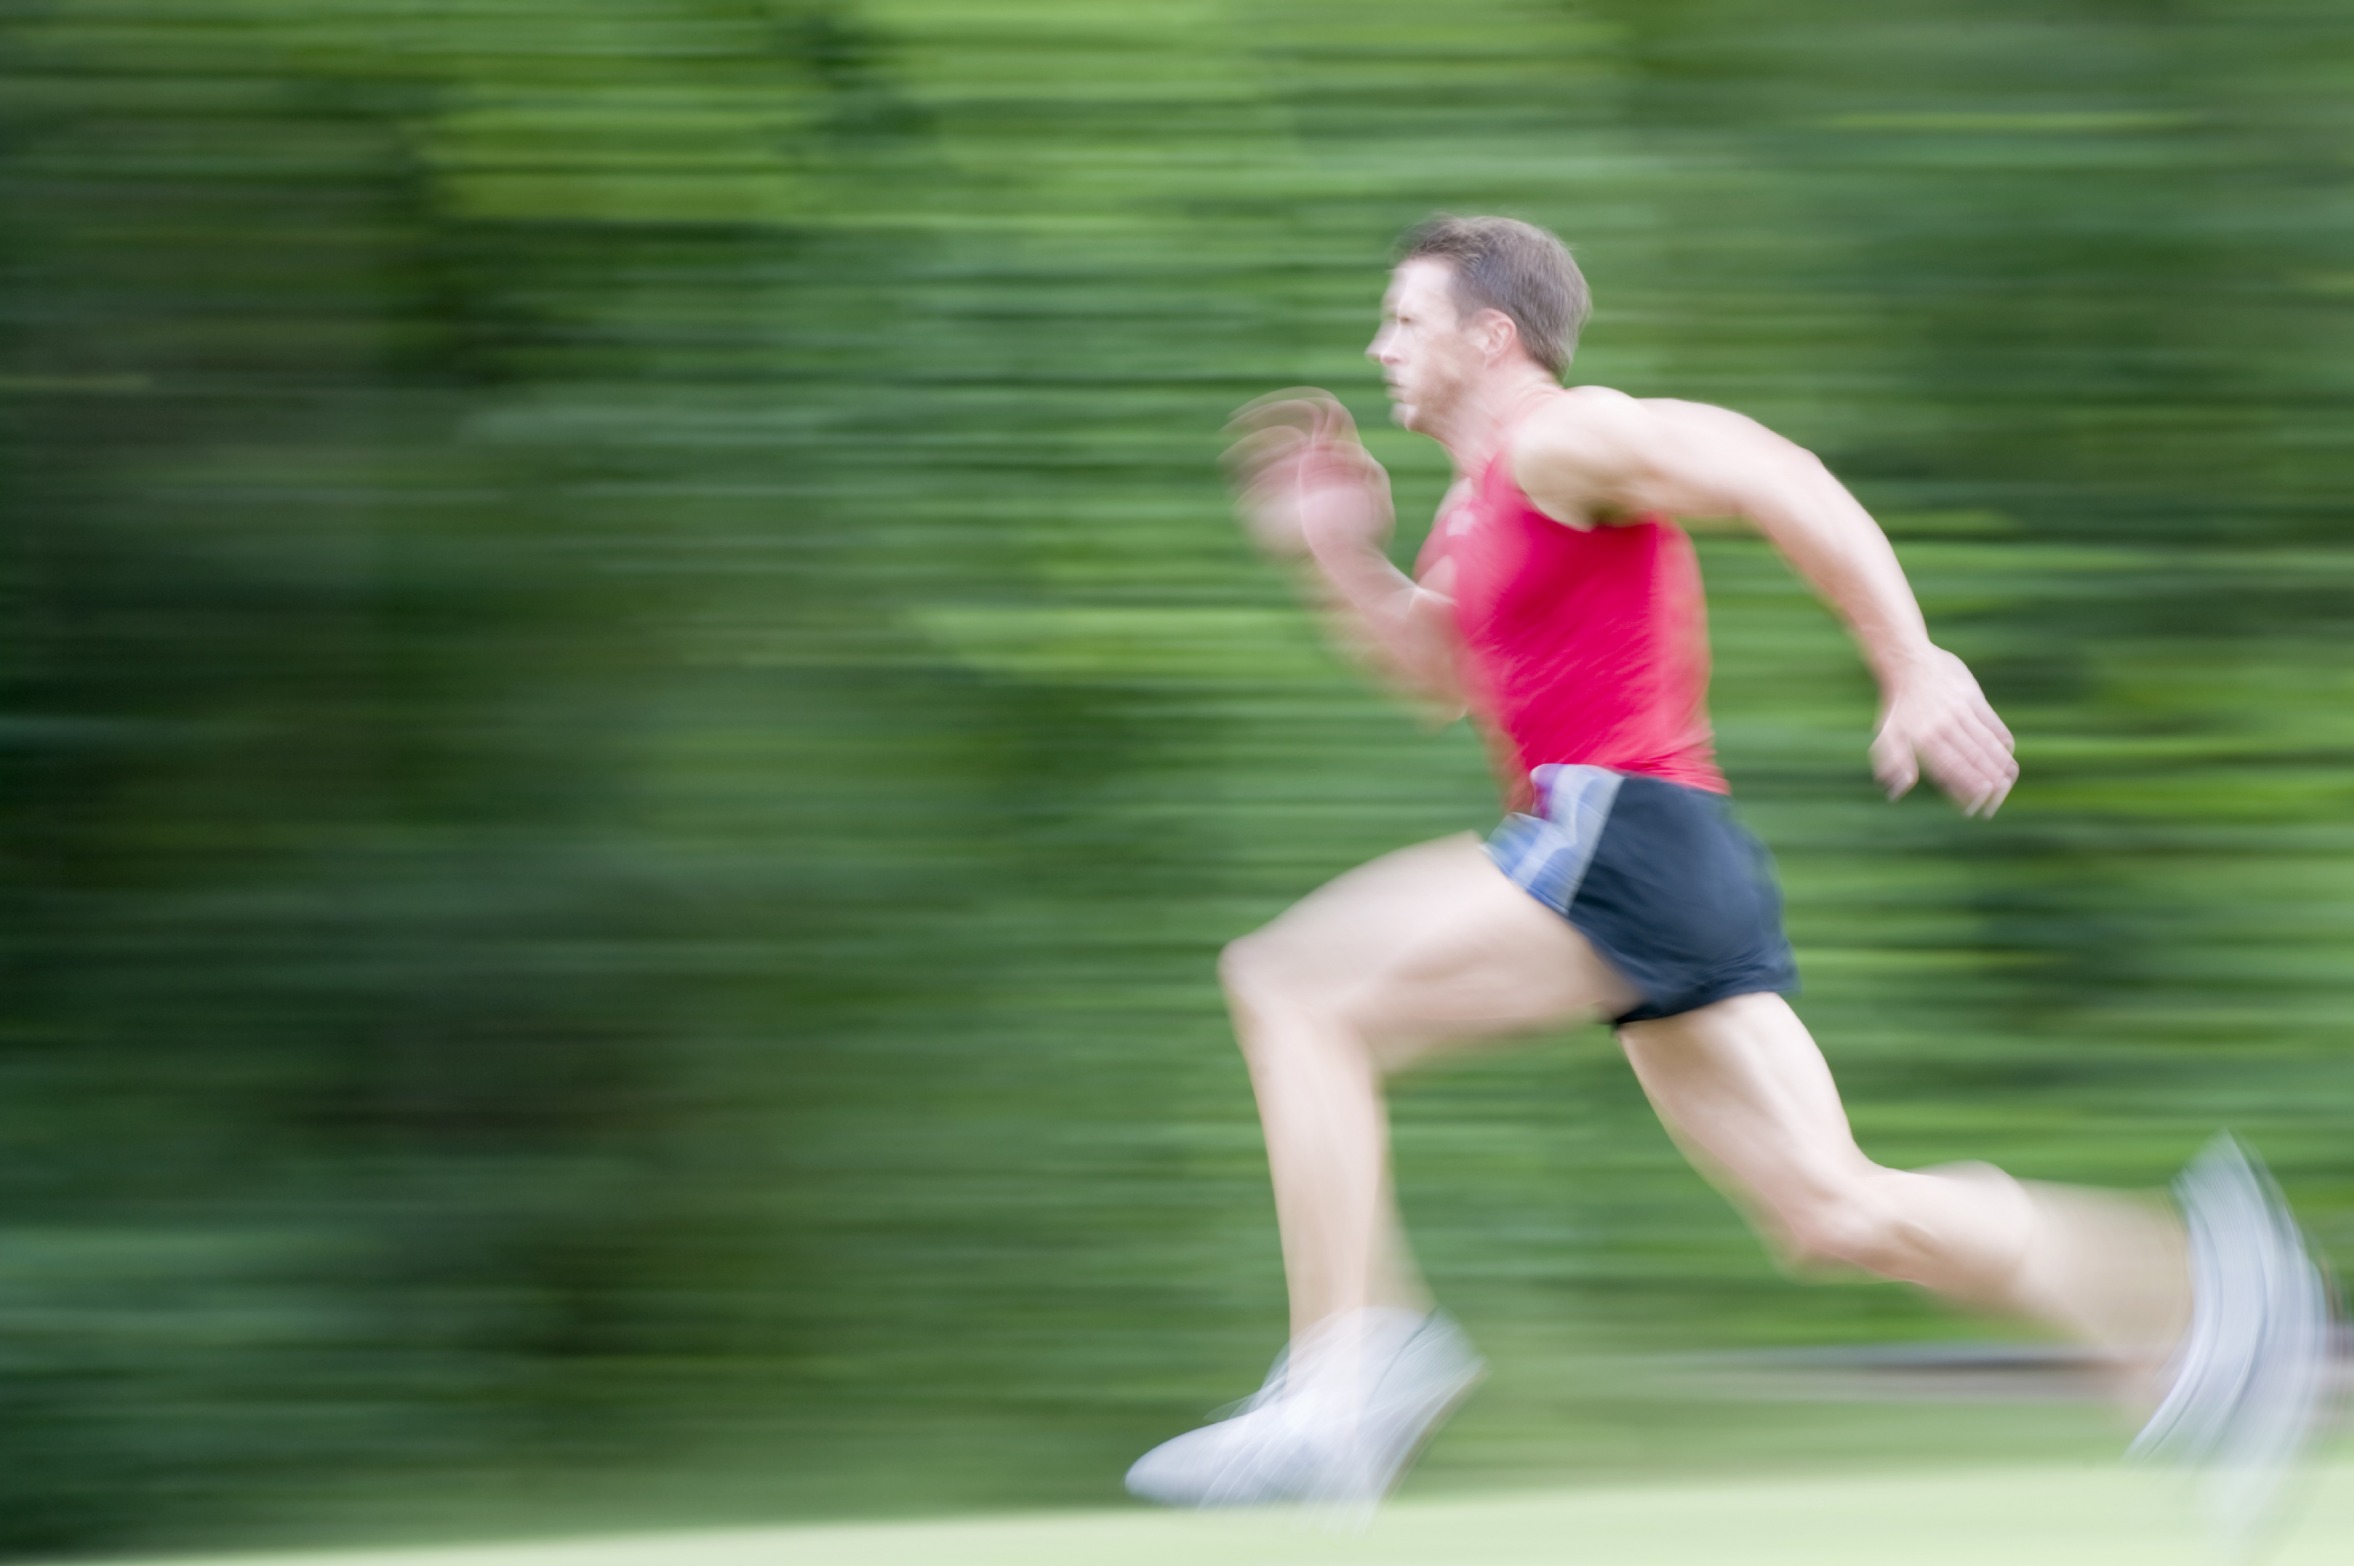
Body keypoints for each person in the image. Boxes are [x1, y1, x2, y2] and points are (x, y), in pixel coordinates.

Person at [1124, 215, 2331, 1536]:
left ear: (1492, 336)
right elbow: (1433, 676)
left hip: (1617, 835)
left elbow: (1771, 471)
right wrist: (1335, 551)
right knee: (1834, 1211)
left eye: (1404, 320)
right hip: (1656, 866)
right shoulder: (1477, 511)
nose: (1379, 348)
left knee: (1293, 988)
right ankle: (2206, 1305)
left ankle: (1349, 1366)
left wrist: (1910, 661)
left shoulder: (1563, 437)